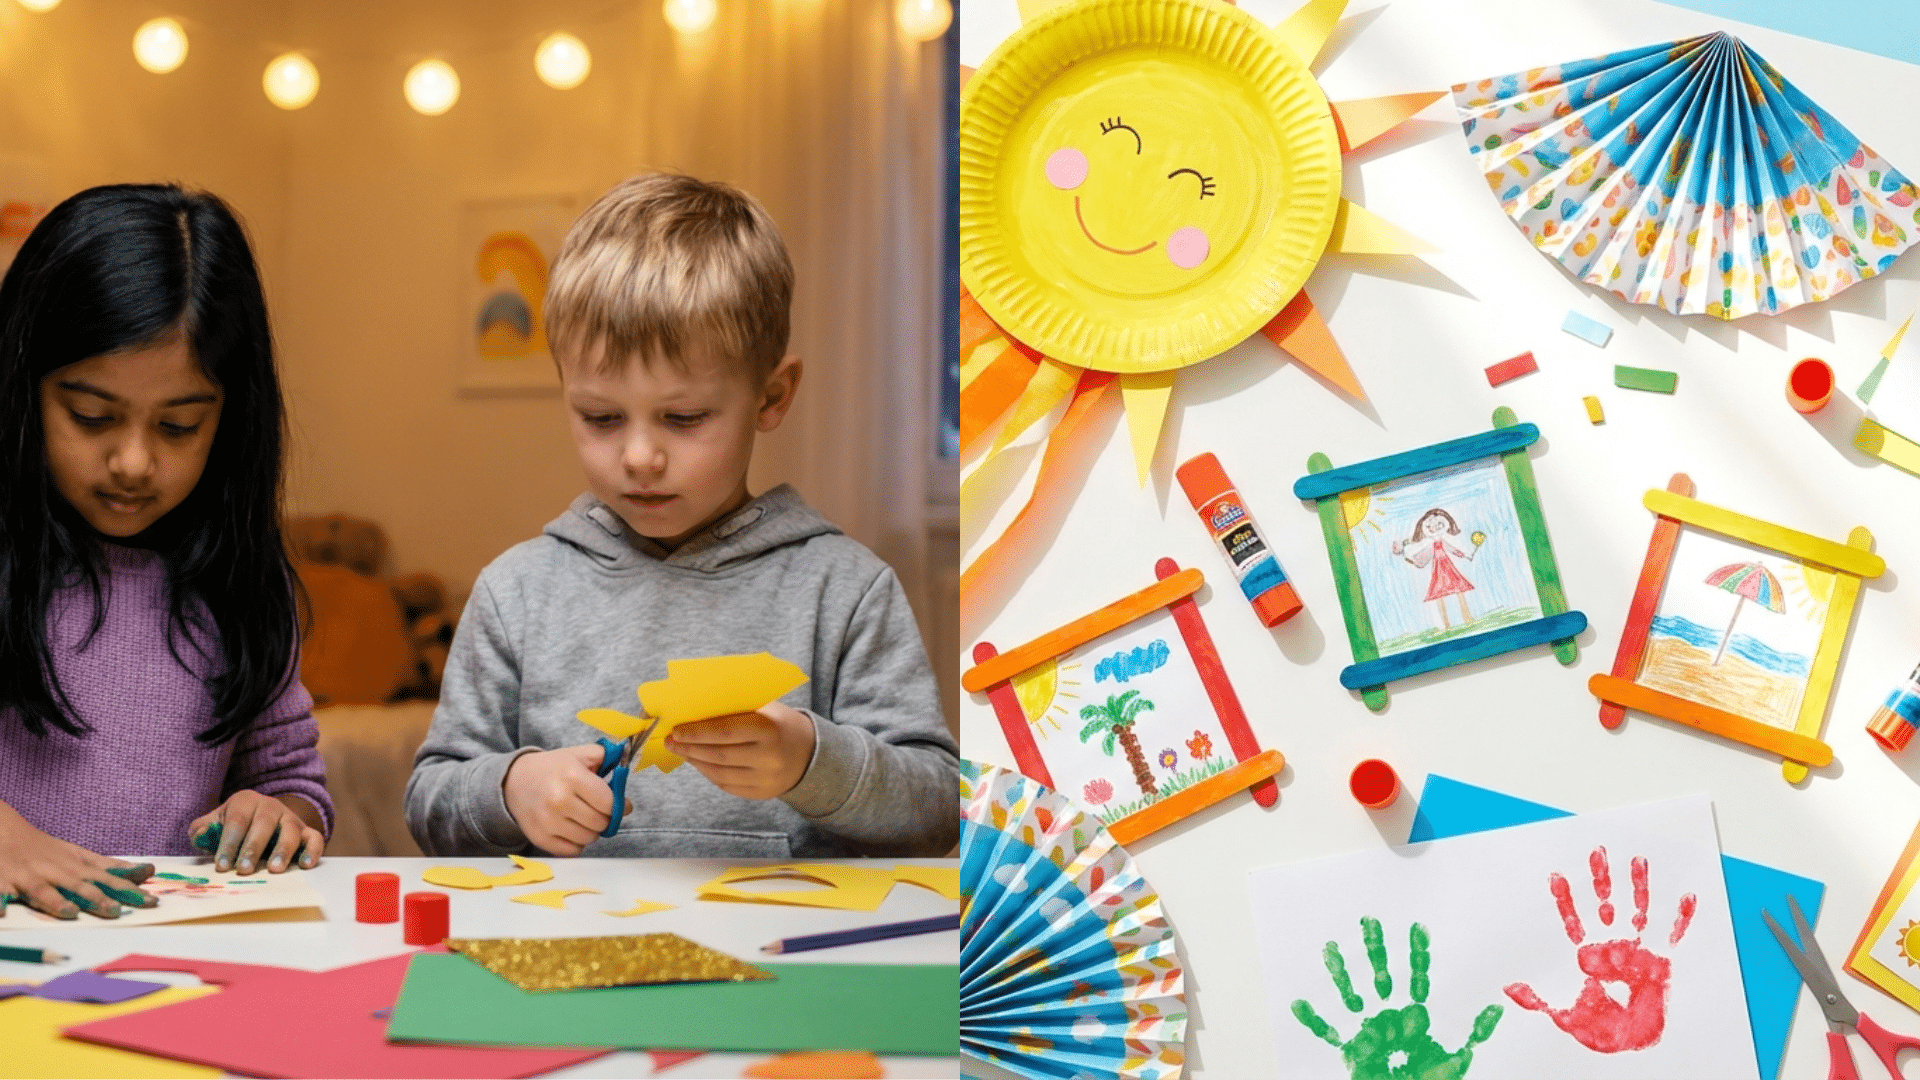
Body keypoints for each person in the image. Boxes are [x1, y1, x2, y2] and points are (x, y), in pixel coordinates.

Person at [406, 173, 957, 859]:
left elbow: (938, 807)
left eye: (684, 417)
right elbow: (431, 802)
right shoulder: (516, 592)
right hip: (565, 957)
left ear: (772, 395)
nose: (640, 456)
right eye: (600, 417)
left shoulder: (844, 590)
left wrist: (814, 762)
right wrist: (511, 786)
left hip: (789, 956)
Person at [0, 185, 332, 920]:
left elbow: (294, 785)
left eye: (178, 426)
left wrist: (275, 816)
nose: (133, 462)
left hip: (170, 962)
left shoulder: (242, 579)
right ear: (21, 388)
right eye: (91, 416)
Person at [1392, 508, 1480, 630]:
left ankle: (1468, 619)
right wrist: (1408, 554)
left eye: (1439, 524)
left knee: (1458, 589)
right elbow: (1424, 556)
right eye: (1429, 527)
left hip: (1448, 568)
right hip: (1439, 570)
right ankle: (1446, 624)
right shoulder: (1431, 544)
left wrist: (1465, 555)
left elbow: (1452, 549)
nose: (1434, 528)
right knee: (1440, 594)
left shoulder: (1441, 541)